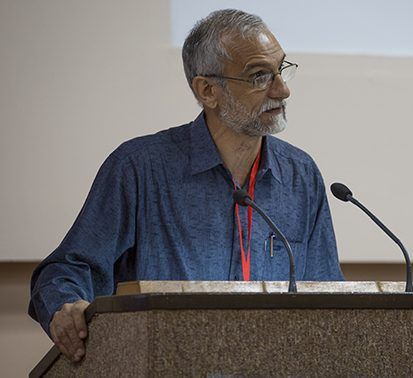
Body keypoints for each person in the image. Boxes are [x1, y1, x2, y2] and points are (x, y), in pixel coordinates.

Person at [28, 9, 344, 362]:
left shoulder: (300, 175)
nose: (282, 89)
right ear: (208, 90)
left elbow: (327, 291)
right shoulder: (140, 167)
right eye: (259, 77)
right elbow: (68, 268)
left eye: (281, 70)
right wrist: (65, 306)